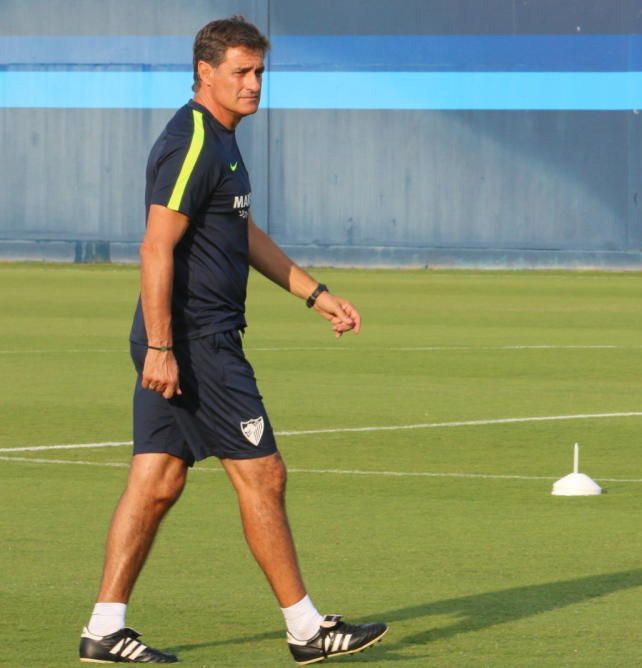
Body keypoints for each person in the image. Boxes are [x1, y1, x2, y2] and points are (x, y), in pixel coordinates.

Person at [78, 16, 387, 664]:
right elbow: (155, 247)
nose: (253, 85)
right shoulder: (193, 139)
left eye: (260, 73)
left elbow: (240, 235)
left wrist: (314, 292)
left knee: (157, 482)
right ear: (205, 72)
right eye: (242, 72)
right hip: (196, 343)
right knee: (263, 475)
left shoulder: (223, 142)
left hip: (190, 340)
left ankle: (105, 628)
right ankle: (306, 629)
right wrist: (163, 348)